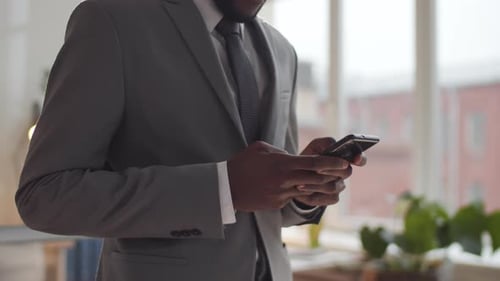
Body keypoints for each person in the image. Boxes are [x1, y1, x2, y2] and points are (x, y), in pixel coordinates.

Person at [16, 0, 367, 280]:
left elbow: (263, 205)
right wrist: (222, 188)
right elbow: (44, 196)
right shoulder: (111, 21)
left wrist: (303, 189)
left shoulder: (281, 50)